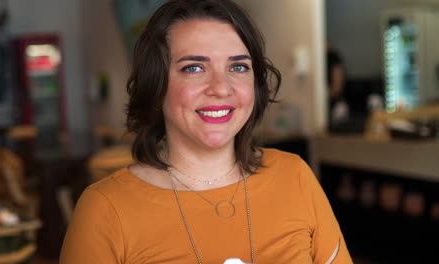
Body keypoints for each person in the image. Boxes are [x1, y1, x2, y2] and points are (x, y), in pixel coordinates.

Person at [60, 0, 352, 263]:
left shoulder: (295, 176)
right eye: (194, 68)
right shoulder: (105, 209)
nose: (221, 88)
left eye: (238, 67)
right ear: (157, 85)